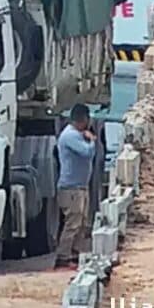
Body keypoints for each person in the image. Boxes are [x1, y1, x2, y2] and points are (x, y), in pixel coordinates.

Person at [54, 104, 98, 270]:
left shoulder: (77, 135)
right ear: (83, 120)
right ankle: (63, 257)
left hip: (80, 186)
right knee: (72, 223)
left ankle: (74, 254)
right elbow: (87, 152)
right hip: (71, 187)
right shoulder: (70, 136)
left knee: (81, 223)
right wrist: (92, 140)